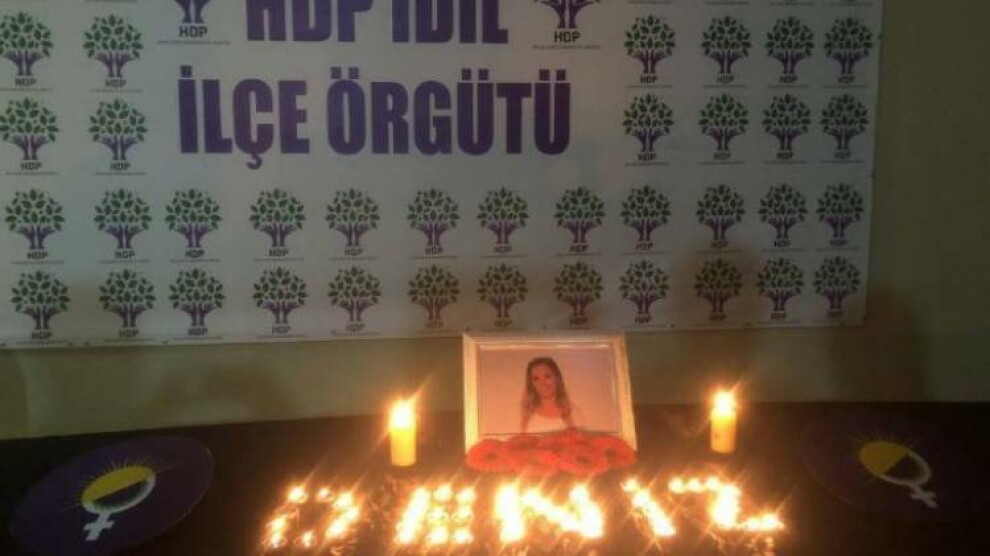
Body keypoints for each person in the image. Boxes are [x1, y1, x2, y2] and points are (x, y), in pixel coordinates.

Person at [520, 357, 580, 434]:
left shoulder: (573, 412)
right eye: (536, 379)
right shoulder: (525, 413)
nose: (542, 383)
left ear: (557, 378)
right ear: (531, 384)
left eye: (547, 376)